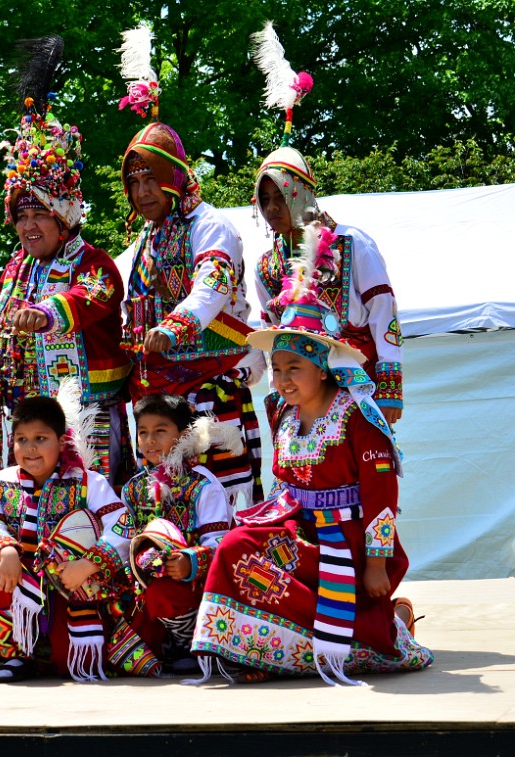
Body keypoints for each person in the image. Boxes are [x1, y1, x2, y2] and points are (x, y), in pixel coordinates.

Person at [186, 225, 432, 685]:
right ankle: (254, 645)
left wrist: (376, 563)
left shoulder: (358, 416)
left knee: (352, 625)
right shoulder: (281, 409)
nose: (280, 381)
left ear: (322, 367)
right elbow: (283, 485)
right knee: (236, 548)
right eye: (276, 369)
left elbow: (382, 493)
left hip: (350, 542)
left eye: (293, 369)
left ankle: (379, 627)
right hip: (298, 531)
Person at [114, 26, 263, 511]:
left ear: (174, 175)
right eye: (133, 183)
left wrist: (174, 327)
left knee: (224, 496)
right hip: (160, 398)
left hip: (212, 387)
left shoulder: (210, 223)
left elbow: (212, 284)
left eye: (151, 179)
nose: (142, 192)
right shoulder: (144, 241)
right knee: (163, 502)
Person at [0, 36, 132, 488]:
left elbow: (92, 297)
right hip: (27, 419)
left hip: (84, 411)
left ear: (63, 216)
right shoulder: (15, 269)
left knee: (91, 501)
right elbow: (4, 328)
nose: (27, 226)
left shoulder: (94, 262)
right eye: (20, 215)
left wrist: (46, 313)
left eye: (38, 215)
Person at [249, 23, 404, 426]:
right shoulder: (267, 266)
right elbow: (274, 339)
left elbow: (382, 311)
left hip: (359, 386)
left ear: (302, 192)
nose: (271, 207)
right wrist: (274, 395)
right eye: (263, 199)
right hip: (301, 397)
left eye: (279, 195)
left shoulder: (351, 243)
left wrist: (389, 388)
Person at [0, 393, 132, 682]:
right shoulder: (1, 482)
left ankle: (44, 651)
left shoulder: (87, 481)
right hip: (21, 579)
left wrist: (88, 564)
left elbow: (122, 525)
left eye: (41, 438)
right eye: (21, 439)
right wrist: (5, 550)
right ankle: (15, 653)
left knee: (66, 663)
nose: (30, 448)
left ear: (61, 442)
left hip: (71, 583)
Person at [115, 394, 239, 676]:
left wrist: (188, 562)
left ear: (183, 435)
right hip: (144, 590)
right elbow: (123, 542)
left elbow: (220, 544)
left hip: (190, 588)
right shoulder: (132, 488)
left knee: (164, 592)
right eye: (143, 432)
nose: (150, 441)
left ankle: (187, 641)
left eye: (160, 431)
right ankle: (163, 638)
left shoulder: (203, 484)